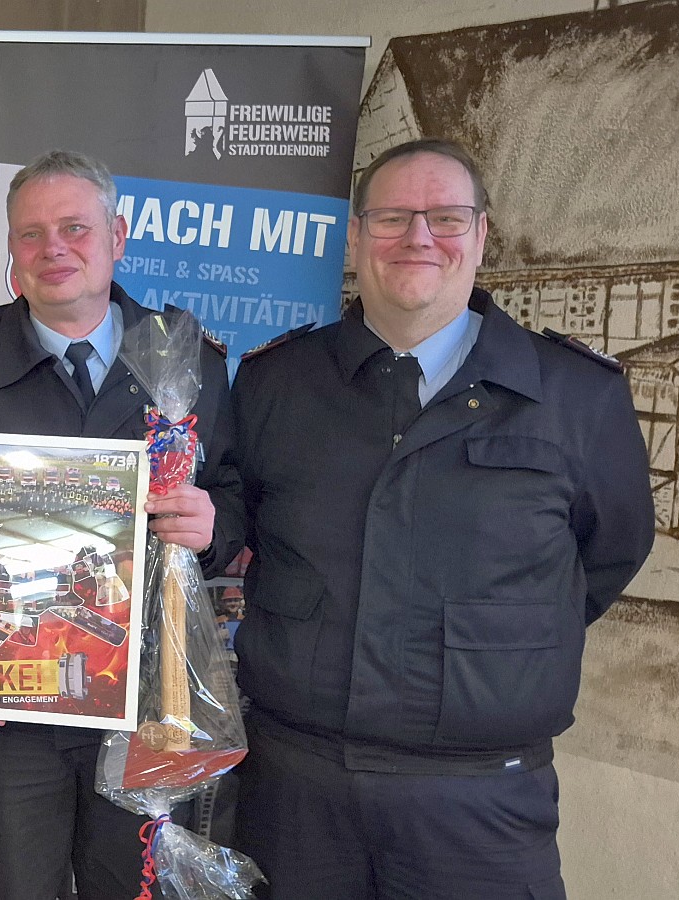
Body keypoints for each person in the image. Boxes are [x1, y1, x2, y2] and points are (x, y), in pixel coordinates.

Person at [229, 137, 656, 899]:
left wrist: (495, 649)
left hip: (480, 801)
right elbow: (246, 526)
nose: (419, 237)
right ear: (356, 237)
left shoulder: (575, 394)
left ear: (481, 234)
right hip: (295, 791)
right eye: (392, 217)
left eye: (446, 218)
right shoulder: (275, 383)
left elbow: (608, 554)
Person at [0, 149, 242, 900]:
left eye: (75, 228)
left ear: (117, 236)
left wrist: (214, 524)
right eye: (30, 233)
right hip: (3, 713)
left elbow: (234, 494)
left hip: (149, 710)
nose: (53, 248)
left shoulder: (187, 359)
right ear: (11, 247)